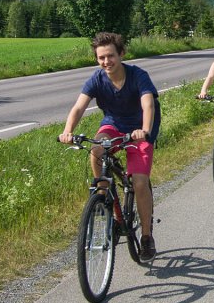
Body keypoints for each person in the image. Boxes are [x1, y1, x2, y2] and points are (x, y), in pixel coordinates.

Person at [58, 32, 160, 262]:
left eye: (110, 56)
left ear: (121, 54)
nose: (106, 62)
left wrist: (143, 131)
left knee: (139, 182)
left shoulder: (137, 76)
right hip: (113, 124)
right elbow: (78, 107)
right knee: (96, 150)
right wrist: (68, 131)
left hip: (139, 128)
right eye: (101, 57)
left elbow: (148, 105)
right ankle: (105, 199)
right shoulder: (96, 79)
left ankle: (146, 236)